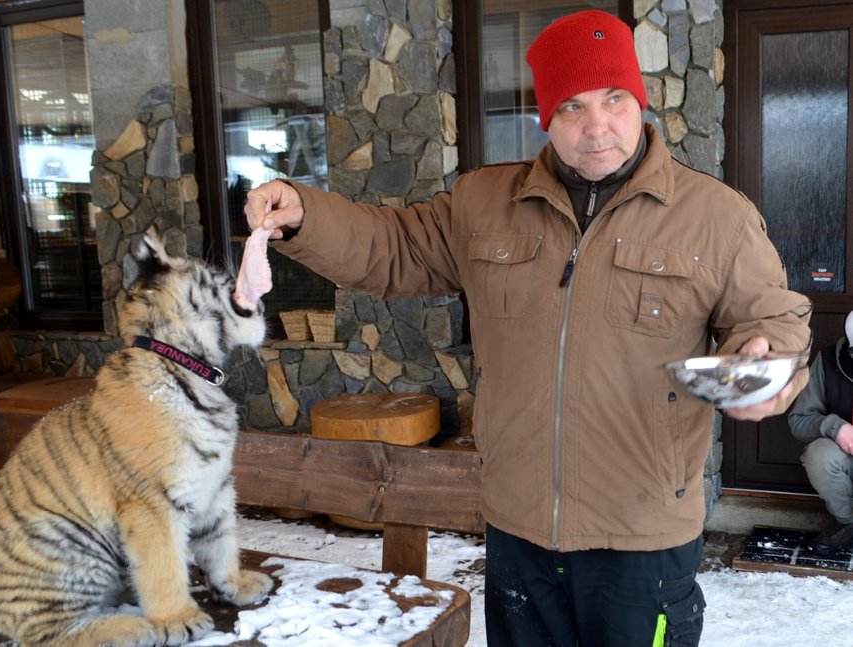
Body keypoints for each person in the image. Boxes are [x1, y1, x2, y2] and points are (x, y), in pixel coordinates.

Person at [244, 10, 812, 647]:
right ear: (547, 116)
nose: (597, 127)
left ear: (640, 103)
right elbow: (394, 247)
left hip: (641, 537)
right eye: (571, 106)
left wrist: (766, 363)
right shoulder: (486, 203)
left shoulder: (716, 217)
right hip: (519, 530)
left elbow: (772, 319)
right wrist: (305, 217)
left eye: (614, 100)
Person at [789, 312, 853, 556]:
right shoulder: (828, 360)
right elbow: (799, 421)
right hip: (846, 459)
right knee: (819, 455)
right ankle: (847, 523)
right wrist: (837, 428)